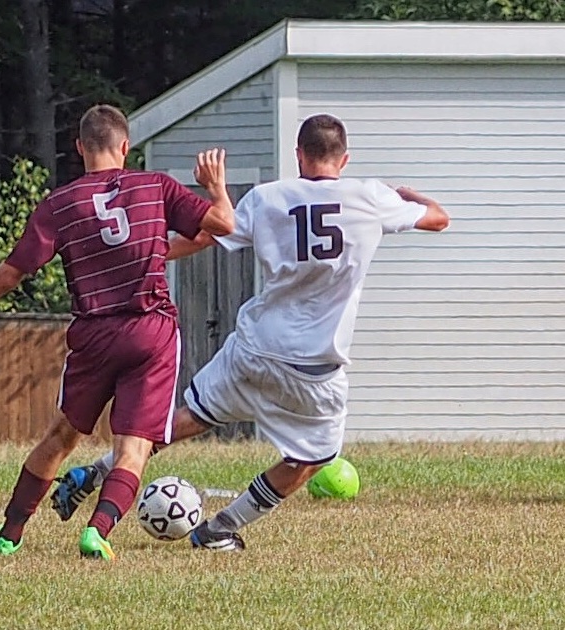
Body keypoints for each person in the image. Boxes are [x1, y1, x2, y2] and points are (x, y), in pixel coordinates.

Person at [51, 113, 450, 551]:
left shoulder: (267, 198)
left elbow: (207, 236)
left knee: (189, 419)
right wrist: (405, 194)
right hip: (314, 366)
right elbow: (438, 218)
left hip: (254, 348)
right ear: (345, 159)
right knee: (311, 459)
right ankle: (219, 529)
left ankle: (95, 472)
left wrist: (153, 248)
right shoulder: (369, 196)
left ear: (299, 155)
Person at [0, 104, 235, 561]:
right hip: (150, 331)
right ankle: (97, 531)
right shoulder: (156, 187)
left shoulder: (61, 204)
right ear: (126, 146)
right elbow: (222, 227)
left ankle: (9, 535)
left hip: (93, 335)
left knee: (61, 436)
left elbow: (14, 271)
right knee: (133, 447)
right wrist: (215, 188)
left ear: (79, 148)